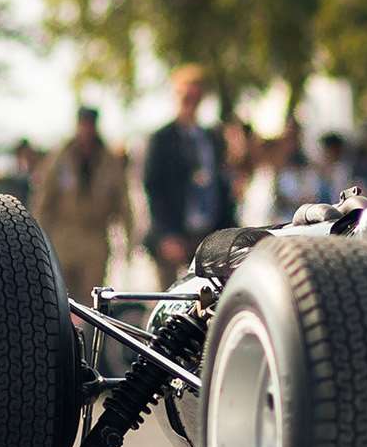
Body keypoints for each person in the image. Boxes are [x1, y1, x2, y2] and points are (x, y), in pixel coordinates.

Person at [142, 66, 236, 277]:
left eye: (195, 98)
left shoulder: (211, 138)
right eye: (186, 97)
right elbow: (153, 187)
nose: (190, 103)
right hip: (172, 237)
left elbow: (222, 185)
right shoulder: (162, 139)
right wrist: (166, 234)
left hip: (206, 236)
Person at [33, 107, 133, 297]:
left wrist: (129, 242)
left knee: (91, 298)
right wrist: (38, 240)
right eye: (83, 124)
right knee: (61, 297)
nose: (86, 130)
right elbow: (43, 200)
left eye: (90, 125)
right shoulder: (60, 159)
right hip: (63, 236)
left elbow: (123, 204)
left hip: (95, 238)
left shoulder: (108, 161)